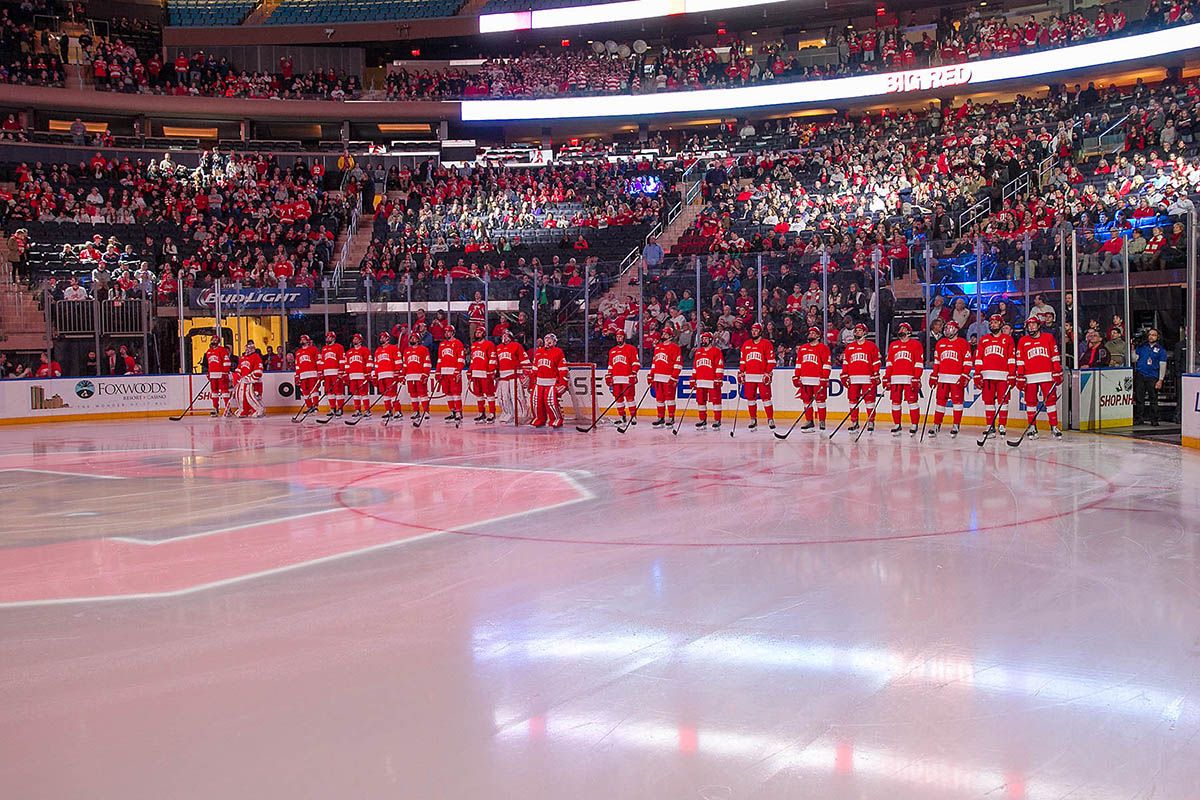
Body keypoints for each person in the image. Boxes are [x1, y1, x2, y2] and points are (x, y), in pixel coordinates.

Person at [1016, 315, 1064, 438]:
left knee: (1050, 401)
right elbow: (1020, 359)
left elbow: (1055, 355)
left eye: (1033, 324)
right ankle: (1032, 427)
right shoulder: (1023, 341)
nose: (1031, 327)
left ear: (1038, 326)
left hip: (1047, 375)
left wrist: (1057, 370)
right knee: (1030, 402)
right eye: (1029, 325)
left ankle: (1054, 426)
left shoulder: (1048, 338)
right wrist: (1020, 375)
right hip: (1029, 376)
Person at [928, 320, 972, 438]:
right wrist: (934, 375)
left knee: (957, 402)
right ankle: (937, 424)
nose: (947, 331)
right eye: (946, 328)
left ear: (956, 330)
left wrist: (965, 375)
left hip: (956, 378)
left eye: (950, 328)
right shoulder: (940, 343)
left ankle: (956, 424)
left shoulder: (963, 343)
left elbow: (968, 362)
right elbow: (937, 361)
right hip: (943, 378)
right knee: (940, 402)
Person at [975, 313, 1016, 437]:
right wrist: (977, 374)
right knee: (988, 401)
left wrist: (1012, 374)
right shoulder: (984, 339)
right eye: (991, 322)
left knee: (1003, 401)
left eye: (996, 322)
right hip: (987, 375)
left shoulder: (1008, 339)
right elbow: (979, 358)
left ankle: (1002, 425)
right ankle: (990, 425)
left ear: (1001, 324)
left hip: (1003, 376)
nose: (993, 324)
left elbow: (1011, 358)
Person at [884, 322, 924, 435]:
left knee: (912, 401)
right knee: (895, 402)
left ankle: (914, 424)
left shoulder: (916, 344)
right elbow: (890, 363)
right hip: (895, 378)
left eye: (904, 328)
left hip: (909, 378)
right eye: (900, 328)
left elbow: (918, 362)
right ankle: (897, 424)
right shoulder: (893, 345)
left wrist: (917, 377)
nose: (901, 330)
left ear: (909, 331)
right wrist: (887, 377)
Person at [841, 323, 880, 432]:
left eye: (859, 330)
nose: (857, 332)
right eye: (856, 330)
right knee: (852, 400)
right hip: (853, 378)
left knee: (870, 400)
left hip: (867, 377)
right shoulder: (850, 347)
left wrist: (875, 374)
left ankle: (871, 421)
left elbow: (876, 362)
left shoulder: (871, 346)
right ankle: (854, 421)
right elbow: (846, 363)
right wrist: (844, 374)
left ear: (865, 332)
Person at [793, 326, 832, 431]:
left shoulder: (823, 348)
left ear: (818, 336)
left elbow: (827, 364)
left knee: (820, 401)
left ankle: (822, 421)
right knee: (806, 401)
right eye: (810, 333)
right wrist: (796, 376)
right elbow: (799, 364)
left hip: (818, 380)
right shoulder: (803, 348)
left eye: (813, 333)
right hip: (805, 379)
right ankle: (809, 420)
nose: (811, 335)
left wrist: (825, 377)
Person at [738, 322, 776, 430]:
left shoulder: (766, 344)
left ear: (760, 332)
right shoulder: (746, 344)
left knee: (766, 398)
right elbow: (743, 361)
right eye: (752, 330)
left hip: (762, 376)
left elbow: (771, 361)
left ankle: (770, 418)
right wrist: (741, 372)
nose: (753, 332)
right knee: (750, 398)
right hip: (749, 376)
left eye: (756, 330)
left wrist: (768, 372)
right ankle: (753, 419)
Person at [530, 332, 568, 428]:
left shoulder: (558, 352)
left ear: (555, 342)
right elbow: (534, 368)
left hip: (551, 382)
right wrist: (532, 382)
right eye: (546, 339)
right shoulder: (538, 352)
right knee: (536, 401)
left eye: (550, 339)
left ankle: (556, 419)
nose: (548, 341)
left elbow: (562, 369)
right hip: (539, 382)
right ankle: (539, 418)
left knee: (550, 402)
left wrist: (563, 383)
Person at [1132, 328, 1168, 426]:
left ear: (1157, 337)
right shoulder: (1142, 347)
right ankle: (1139, 418)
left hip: (1153, 376)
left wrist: (1160, 380)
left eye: (1153, 335)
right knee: (1139, 398)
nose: (1151, 336)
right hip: (1141, 374)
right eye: (1150, 334)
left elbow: (1163, 365)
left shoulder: (1161, 350)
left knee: (1153, 399)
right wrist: (1133, 349)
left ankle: (1154, 419)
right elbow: (1134, 359)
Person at [649, 327, 683, 427]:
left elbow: (678, 364)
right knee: (659, 398)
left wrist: (674, 377)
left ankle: (671, 417)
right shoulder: (657, 347)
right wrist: (651, 375)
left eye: (666, 334)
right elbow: (654, 363)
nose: (663, 335)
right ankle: (660, 417)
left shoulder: (675, 347)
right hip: (658, 378)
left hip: (668, 378)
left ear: (670, 336)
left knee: (670, 398)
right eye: (663, 333)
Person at [606, 329, 640, 427]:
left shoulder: (631, 349)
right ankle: (622, 417)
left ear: (624, 337)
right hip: (616, 379)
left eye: (620, 336)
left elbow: (636, 363)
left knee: (630, 398)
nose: (619, 338)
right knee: (618, 398)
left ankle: (633, 416)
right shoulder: (612, 351)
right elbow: (610, 365)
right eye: (617, 337)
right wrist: (609, 375)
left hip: (627, 377)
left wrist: (634, 373)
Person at [692, 331, 724, 430]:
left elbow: (719, 365)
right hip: (700, 380)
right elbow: (695, 366)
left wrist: (718, 378)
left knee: (716, 401)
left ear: (710, 340)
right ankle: (702, 420)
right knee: (701, 401)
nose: (703, 340)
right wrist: (693, 378)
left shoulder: (716, 351)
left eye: (705, 338)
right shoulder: (698, 351)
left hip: (712, 380)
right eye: (702, 339)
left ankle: (717, 420)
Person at [495, 329, 529, 424]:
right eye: (503, 335)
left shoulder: (516, 346)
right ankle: (508, 413)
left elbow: (524, 360)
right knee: (502, 397)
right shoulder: (498, 348)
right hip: (502, 376)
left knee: (517, 396)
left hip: (515, 375)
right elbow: (496, 363)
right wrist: (495, 373)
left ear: (510, 337)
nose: (504, 337)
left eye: (506, 335)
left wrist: (526, 373)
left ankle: (523, 414)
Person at [435, 327, 467, 422]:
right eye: (445, 332)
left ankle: (458, 412)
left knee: (456, 393)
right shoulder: (442, 344)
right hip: (444, 373)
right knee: (448, 393)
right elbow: (440, 359)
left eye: (448, 332)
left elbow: (461, 359)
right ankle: (452, 411)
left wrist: (458, 371)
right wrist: (438, 371)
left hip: (453, 372)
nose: (446, 333)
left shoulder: (458, 343)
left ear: (453, 333)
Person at [467, 326, 498, 423]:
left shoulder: (489, 344)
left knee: (489, 394)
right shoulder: (474, 345)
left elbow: (492, 359)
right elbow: (473, 360)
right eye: (476, 332)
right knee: (478, 394)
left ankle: (492, 413)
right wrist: (470, 371)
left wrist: (491, 371)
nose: (477, 334)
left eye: (479, 332)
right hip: (476, 373)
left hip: (485, 373)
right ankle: (481, 413)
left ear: (484, 334)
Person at [404, 332, 433, 422]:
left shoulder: (423, 349)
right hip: (409, 376)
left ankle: (426, 411)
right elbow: (405, 364)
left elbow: (427, 363)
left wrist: (425, 374)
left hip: (419, 375)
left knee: (423, 394)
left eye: (414, 338)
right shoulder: (406, 351)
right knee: (413, 395)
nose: (412, 339)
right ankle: (416, 411)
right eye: (411, 338)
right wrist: (402, 374)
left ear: (418, 340)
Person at [373, 331, 401, 421]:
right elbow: (376, 364)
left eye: (383, 337)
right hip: (381, 375)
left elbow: (398, 361)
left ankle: (398, 411)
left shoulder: (393, 348)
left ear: (387, 339)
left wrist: (397, 373)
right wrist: (375, 375)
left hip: (390, 374)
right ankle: (388, 410)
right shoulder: (378, 350)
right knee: (385, 394)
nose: (381, 339)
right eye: (380, 337)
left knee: (393, 394)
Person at [231, 342, 264, 418]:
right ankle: (244, 410)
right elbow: (239, 369)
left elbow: (258, 371)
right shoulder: (242, 358)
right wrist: (237, 377)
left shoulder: (256, 357)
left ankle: (258, 409)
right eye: (246, 348)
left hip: (254, 382)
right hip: (243, 382)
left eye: (249, 348)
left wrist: (249, 378)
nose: (247, 350)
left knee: (252, 396)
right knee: (240, 396)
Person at [344, 333, 373, 418]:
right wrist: (347, 374)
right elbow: (347, 364)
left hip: (362, 375)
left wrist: (368, 373)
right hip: (352, 376)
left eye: (356, 339)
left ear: (360, 340)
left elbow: (369, 362)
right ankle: (357, 410)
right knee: (355, 393)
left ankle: (367, 410)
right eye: (354, 339)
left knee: (364, 393)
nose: (354, 340)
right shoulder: (349, 352)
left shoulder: (365, 350)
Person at [320, 331, 346, 418]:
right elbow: (322, 362)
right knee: (329, 392)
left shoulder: (339, 347)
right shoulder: (324, 349)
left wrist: (341, 371)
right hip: (327, 374)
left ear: (333, 338)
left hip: (336, 373)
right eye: (327, 337)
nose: (327, 338)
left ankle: (340, 408)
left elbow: (342, 360)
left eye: (329, 337)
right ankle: (332, 408)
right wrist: (321, 372)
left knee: (338, 391)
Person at [203, 335, 231, 416]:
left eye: (215, 340)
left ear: (218, 341)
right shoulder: (208, 352)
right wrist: (209, 373)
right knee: (214, 393)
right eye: (213, 339)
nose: (214, 341)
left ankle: (227, 409)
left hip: (221, 374)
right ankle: (215, 408)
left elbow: (226, 361)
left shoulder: (222, 350)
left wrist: (225, 372)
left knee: (225, 392)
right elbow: (209, 364)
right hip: (213, 375)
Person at [293, 334, 321, 413]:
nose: (302, 341)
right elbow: (297, 365)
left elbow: (318, 361)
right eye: (301, 339)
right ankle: (309, 406)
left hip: (312, 373)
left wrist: (319, 371)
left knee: (314, 390)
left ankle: (315, 406)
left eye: (304, 339)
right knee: (305, 391)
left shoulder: (313, 349)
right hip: (302, 375)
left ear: (308, 341)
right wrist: (297, 375)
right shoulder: (298, 352)